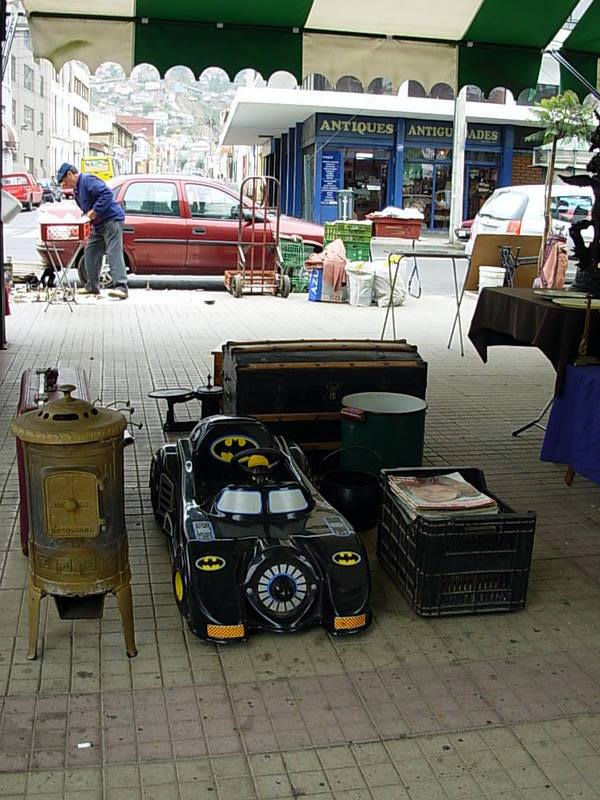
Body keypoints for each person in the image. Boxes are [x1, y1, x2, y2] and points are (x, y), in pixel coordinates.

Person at [56, 163, 128, 300]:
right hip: (99, 224)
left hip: (111, 220)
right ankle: (92, 286)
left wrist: (94, 211)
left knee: (114, 252)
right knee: (91, 252)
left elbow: (106, 194)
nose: (64, 184)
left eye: (65, 181)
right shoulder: (77, 190)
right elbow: (86, 208)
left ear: (70, 174)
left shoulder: (87, 180)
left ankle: (121, 287)